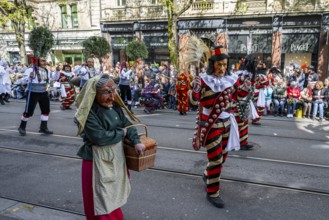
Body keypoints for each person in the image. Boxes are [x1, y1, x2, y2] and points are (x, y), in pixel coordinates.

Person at [75, 74, 145, 220]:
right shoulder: (88, 112)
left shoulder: (116, 107)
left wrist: (136, 141)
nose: (112, 96)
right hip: (96, 163)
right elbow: (99, 137)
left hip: (115, 158)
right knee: (101, 203)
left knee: (113, 198)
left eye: (114, 91)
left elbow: (128, 124)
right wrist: (122, 132)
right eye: (107, 92)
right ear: (94, 94)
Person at [192, 46, 252, 208]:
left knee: (223, 157)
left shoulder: (231, 79)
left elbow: (236, 97)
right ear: (213, 65)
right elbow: (193, 101)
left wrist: (245, 89)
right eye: (219, 64)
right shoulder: (204, 79)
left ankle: (207, 174)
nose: (222, 68)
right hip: (211, 124)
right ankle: (213, 192)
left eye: (224, 64)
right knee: (216, 159)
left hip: (228, 123)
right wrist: (195, 90)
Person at [17, 57, 53, 136]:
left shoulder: (47, 70)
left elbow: (48, 80)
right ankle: (22, 127)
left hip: (43, 92)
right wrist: (29, 77)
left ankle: (43, 128)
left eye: (45, 61)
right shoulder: (30, 70)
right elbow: (22, 81)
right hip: (32, 92)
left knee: (46, 110)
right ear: (37, 62)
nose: (45, 62)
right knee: (28, 111)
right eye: (42, 61)